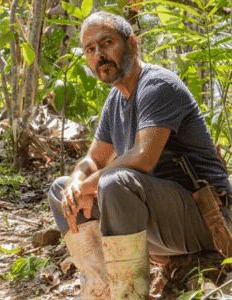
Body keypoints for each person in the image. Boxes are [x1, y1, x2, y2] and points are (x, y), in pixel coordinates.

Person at [48, 11, 232, 300]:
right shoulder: (116, 99)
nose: (99, 54)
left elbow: (143, 157)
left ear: (132, 45)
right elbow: (95, 158)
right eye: (90, 49)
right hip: (161, 222)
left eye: (107, 43)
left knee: (115, 182)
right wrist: (76, 181)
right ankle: (100, 291)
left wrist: (88, 185)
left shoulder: (158, 85)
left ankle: (128, 295)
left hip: (208, 220)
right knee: (61, 191)